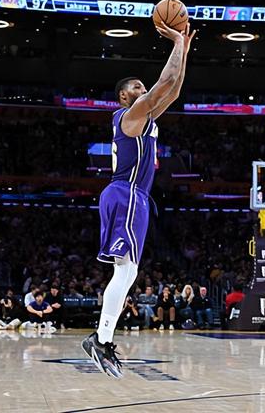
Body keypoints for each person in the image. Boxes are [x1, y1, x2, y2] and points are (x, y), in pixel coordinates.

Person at [81, 22, 196, 379]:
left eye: (143, 88)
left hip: (133, 196)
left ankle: (101, 339)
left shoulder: (144, 117)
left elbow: (173, 90)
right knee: (126, 270)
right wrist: (176, 41)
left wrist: (184, 51)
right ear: (123, 96)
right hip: (126, 192)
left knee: (127, 271)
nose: (144, 91)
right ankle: (100, 340)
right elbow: (165, 82)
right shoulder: (128, 116)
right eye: (137, 88)